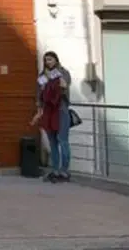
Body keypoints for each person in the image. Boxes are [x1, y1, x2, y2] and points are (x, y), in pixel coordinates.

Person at [30, 51, 72, 183]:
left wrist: (54, 78)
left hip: (60, 109)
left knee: (63, 140)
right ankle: (55, 170)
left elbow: (65, 85)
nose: (48, 62)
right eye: (46, 60)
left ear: (56, 60)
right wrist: (38, 113)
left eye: (50, 59)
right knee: (52, 142)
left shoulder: (63, 72)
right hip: (48, 111)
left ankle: (64, 170)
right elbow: (39, 95)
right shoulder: (42, 76)